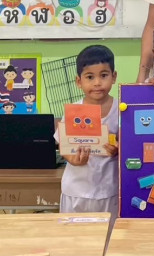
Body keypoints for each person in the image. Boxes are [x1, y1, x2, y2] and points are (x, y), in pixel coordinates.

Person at [57, 45, 119, 225]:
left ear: (114, 77)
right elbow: (64, 145)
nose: (97, 83)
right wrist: (73, 159)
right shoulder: (73, 111)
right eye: (90, 77)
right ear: (79, 81)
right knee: (75, 238)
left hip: (109, 190)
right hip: (76, 191)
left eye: (104, 75)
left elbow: (129, 145)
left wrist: (118, 149)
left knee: (108, 236)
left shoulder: (121, 109)